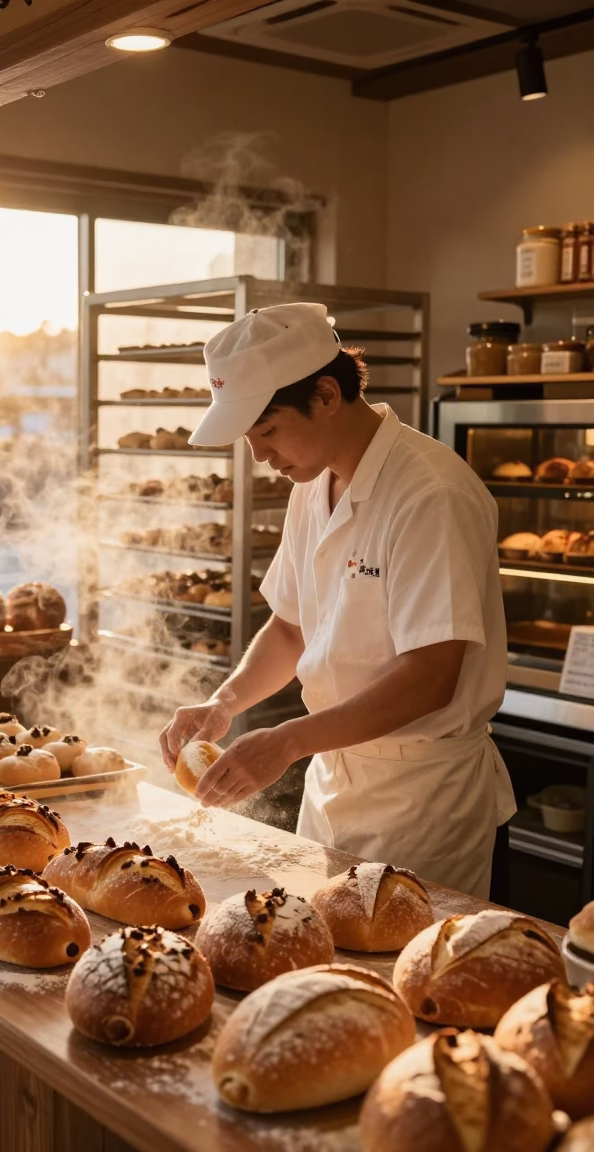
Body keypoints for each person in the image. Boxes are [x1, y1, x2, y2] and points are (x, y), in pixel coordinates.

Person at [159, 303, 516, 900]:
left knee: (399, 977)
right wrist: (224, 704)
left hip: (420, 803)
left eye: (268, 431)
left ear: (326, 394)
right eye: (251, 438)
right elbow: (291, 628)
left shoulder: (430, 493)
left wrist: (289, 741)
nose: (261, 458)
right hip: (330, 786)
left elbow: (431, 677)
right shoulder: (313, 483)